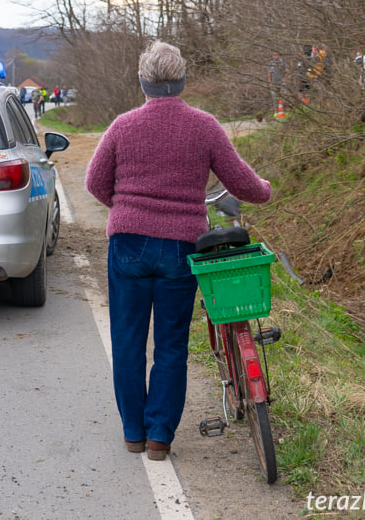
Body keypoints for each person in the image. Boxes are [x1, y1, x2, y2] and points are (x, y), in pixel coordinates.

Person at [85, 40, 271, 461]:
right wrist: (265, 190)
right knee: (171, 346)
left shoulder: (123, 125)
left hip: (128, 244)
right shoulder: (205, 127)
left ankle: (133, 432)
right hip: (181, 247)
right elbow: (242, 184)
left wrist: (128, 208)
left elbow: (96, 183)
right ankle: (159, 439)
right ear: (183, 80)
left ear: (142, 81)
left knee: (128, 341)